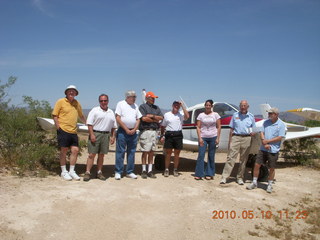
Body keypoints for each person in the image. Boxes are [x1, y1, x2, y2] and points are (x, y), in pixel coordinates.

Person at [246, 107, 286, 193]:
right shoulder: (266, 122)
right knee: (257, 165)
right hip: (263, 148)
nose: (269, 115)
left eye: (271, 113)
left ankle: (270, 185)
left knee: (271, 168)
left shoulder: (281, 125)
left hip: (273, 150)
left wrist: (268, 142)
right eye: (269, 113)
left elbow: (280, 137)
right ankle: (254, 182)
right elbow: (262, 132)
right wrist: (264, 142)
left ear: (276, 115)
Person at [52, 85, 86, 181]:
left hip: (73, 131)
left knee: (75, 150)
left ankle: (72, 171)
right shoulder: (61, 101)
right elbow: (55, 115)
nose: (71, 93)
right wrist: (58, 127)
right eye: (69, 91)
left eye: (73, 91)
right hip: (63, 129)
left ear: (76, 94)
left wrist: (87, 123)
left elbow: (81, 115)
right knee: (64, 150)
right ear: (66, 93)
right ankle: (64, 171)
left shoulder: (77, 103)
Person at [220, 100, 256, 185]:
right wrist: (230, 141)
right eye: (241, 105)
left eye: (244, 105)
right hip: (235, 137)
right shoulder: (235, 115)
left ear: (248, 106)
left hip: (247, 138)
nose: (243, 107)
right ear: (239, 106)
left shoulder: (251, 116)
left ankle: (240, 178)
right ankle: (224, 177)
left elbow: (253, 129)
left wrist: (253, 132)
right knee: (231, 158)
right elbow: (231, 129)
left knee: (243, 160)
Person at [83, 94, 116, 182]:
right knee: (91, 154)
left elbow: (113, 126)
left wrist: (113, 136)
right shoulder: (95, 110)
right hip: (96, 133)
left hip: (106, 135)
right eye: (101, 101)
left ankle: (99, 172)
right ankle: (87, 172)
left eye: (105, 100)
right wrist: (92, 134)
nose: (103, 102)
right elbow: (89, 124)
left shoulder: (111, 112)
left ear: (108, 101)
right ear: (99, 102)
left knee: (101, 155)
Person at [114, 90, 142, 180]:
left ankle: (129, 171)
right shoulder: (120, 104)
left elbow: (138, 119)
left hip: (133, 132)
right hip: (122, 131)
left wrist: (134, 129)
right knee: (120, 151)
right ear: (127, 97)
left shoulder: (135, 106)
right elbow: (118, 118)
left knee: (132, 152)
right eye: (133, 97)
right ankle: (118, 171)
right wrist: (126, 129)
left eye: (135, 97)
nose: (134, 99)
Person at [160, 101, 189, 177]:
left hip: (178, 135)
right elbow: (163, 126)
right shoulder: (167, 115)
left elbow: (187, 116)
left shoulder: (181, 115)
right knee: (168, 154)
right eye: (175, 105)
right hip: (169, 135)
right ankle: (166, 169)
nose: (176, 106)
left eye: (178, 105)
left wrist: (182, 105)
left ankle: (175, 169)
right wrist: (162, 135)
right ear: (172, 105)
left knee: (177, 154)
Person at [139, 91, 164, 179]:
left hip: (154, 131)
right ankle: (143, 170)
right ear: (147, 98)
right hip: (145, 131)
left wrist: (152, 116)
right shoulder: (142, 107)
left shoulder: (156, 108)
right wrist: (155, 120)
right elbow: (144, 119)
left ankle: (150, 170)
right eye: (152, 98)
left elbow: (161, 118)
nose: (153, 100)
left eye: (154, 98)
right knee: (145, 151)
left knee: (151, 151)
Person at [194, 100, 221, 180]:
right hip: (203, 137)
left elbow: (219, 126)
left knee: (211, 155)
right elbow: (198, 127)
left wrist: (218, 138)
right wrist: (200, 138)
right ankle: (199, 174)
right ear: (205, 106)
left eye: (209, 105)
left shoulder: (216, 115)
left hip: (213, 136)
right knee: (201, 155)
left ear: (211, 106)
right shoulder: (201, 115)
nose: (208, 106)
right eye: (206, 105)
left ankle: (209, 173)